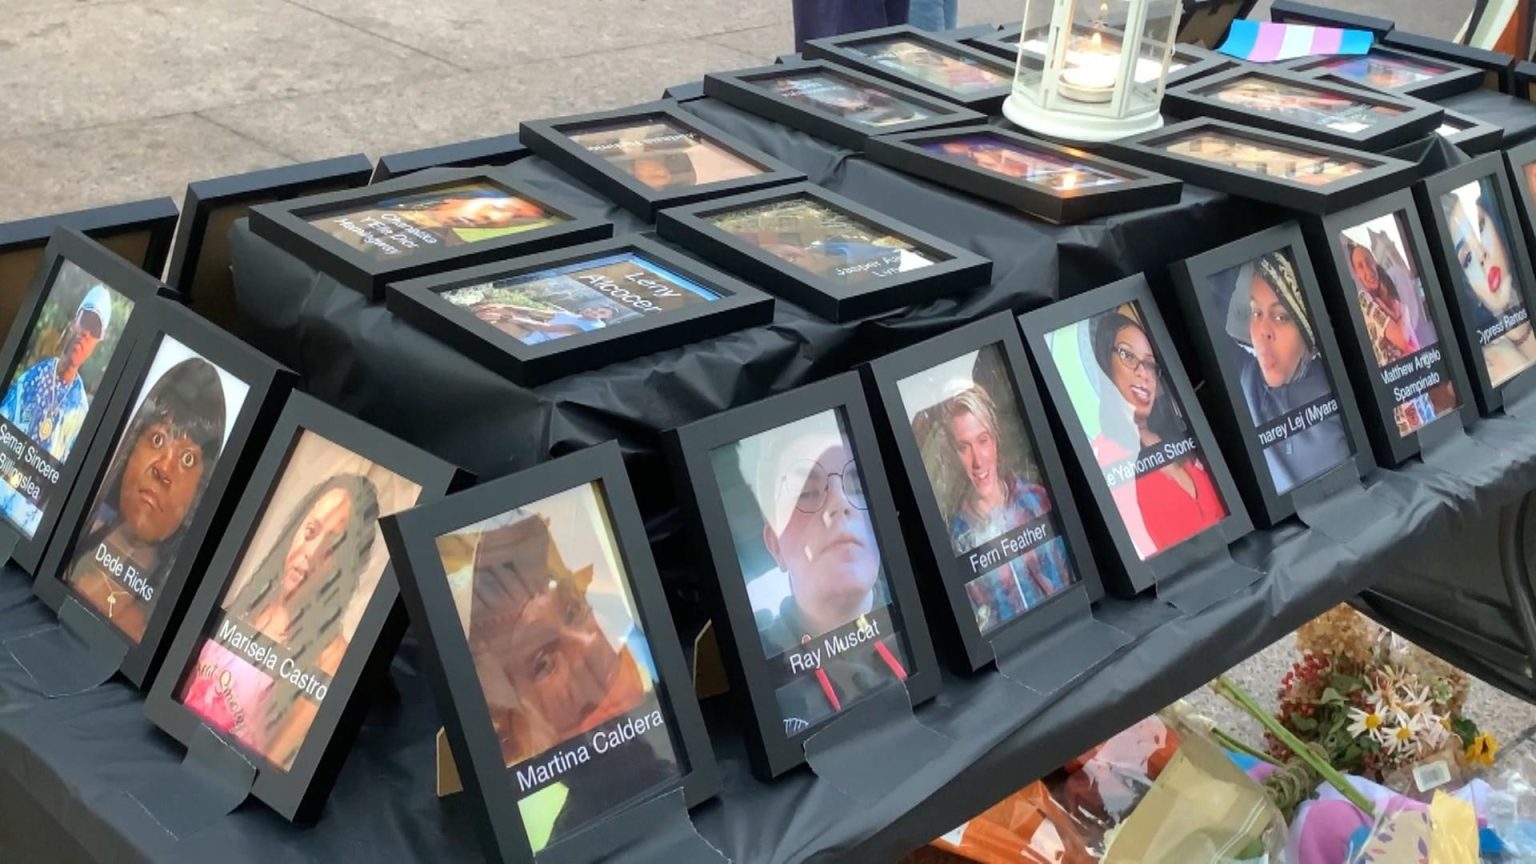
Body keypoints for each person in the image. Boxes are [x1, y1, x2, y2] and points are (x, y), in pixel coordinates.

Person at [178, 473, 380, 770]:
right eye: (310, 532)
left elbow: (271, 771)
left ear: (348, 568)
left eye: (333, 546)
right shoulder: (249, 604)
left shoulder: (332, 660)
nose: (310, 553)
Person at [743, 414, 907, 726]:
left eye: (856, 484)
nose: (840, 503)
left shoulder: (934, 614)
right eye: (806, 492)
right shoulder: (761, 674)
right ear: (775, 545)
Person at [65, 358, 226, 640]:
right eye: (157, 440)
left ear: (200, 492)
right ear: (130, 448)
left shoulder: (159, 627)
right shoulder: (66, 543)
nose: (164, 468)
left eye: (187, 459)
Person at [1089, 312, 1224, 558]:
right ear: (1104, 365)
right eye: (1128, 356)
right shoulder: (1101, 457)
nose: (1144, 373)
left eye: (1150, 363)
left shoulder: (1178, 437)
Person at [938, 385, 1072, 630]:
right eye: (964, 447)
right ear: (953, 455)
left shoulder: (1036, 500)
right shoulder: (956, 539)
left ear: (996, 441)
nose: (978, 461)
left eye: (983, 440)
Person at [1227, 253, 1351, 494]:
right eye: (1256, 312)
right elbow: (1204, 297)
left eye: (1281, 316)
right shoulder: (1246, 378)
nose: (1263, 330)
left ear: (1308, 333)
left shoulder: (1340, 385)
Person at [0, 284, 113, 461]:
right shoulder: (35, 375)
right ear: (75, 322)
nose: (86, 334)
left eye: (94, 331)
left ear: (97, 343)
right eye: (85, 322)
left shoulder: (80, 410)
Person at [1443, 184, 1536, 386]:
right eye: (1467, 258)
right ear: (1466, 285)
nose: (1482, 256)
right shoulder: (1490, 365)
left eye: (1481, 226)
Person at [1345, 238, 1422, 364]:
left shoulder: (1386, 296)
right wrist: (1405, 312)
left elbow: (1413, 342)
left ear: (1375, 263)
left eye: (1369, 262)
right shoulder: (1364, 300)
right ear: (1356, 273)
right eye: (1360, 266)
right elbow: (1402, 339)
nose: (1368, 271)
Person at [466, 300, 617, 344]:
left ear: (603, 318)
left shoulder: (589, 327)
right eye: (597, 308)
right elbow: (534, 312)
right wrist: (505, 307)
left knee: (506, 323)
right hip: (536, 329)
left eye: (601, 313)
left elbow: (546, 328)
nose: (595, 311)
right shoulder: (571, 315)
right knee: (504, 310)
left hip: (539, 340)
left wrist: (509, 318)